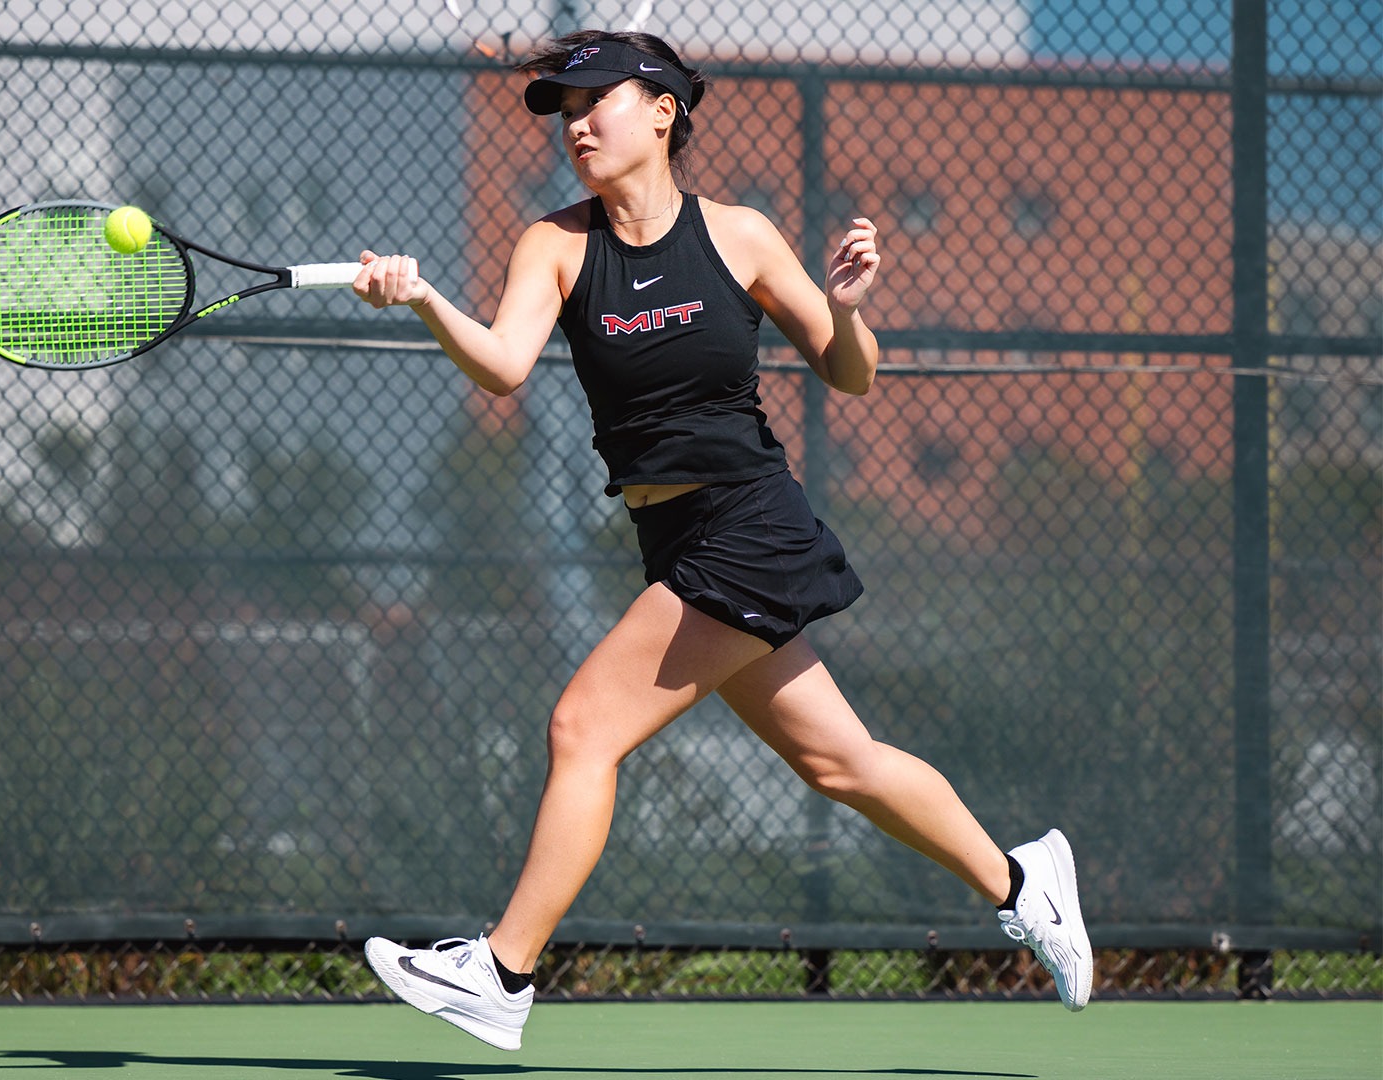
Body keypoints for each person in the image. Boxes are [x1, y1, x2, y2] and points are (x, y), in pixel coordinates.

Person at [348, 29, 1092, 1051]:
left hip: (748, 523)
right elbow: (505, 365)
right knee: (843, 764)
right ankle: (1024, 881)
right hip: (673, 537)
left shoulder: (740, 236)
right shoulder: (553, 245)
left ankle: (503, 970)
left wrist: (846, 308)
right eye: (565, 113)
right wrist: (426, 297)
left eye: (594, 103)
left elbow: (850, 374)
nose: (576, 126)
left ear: (662, 112)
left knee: (582, 729)